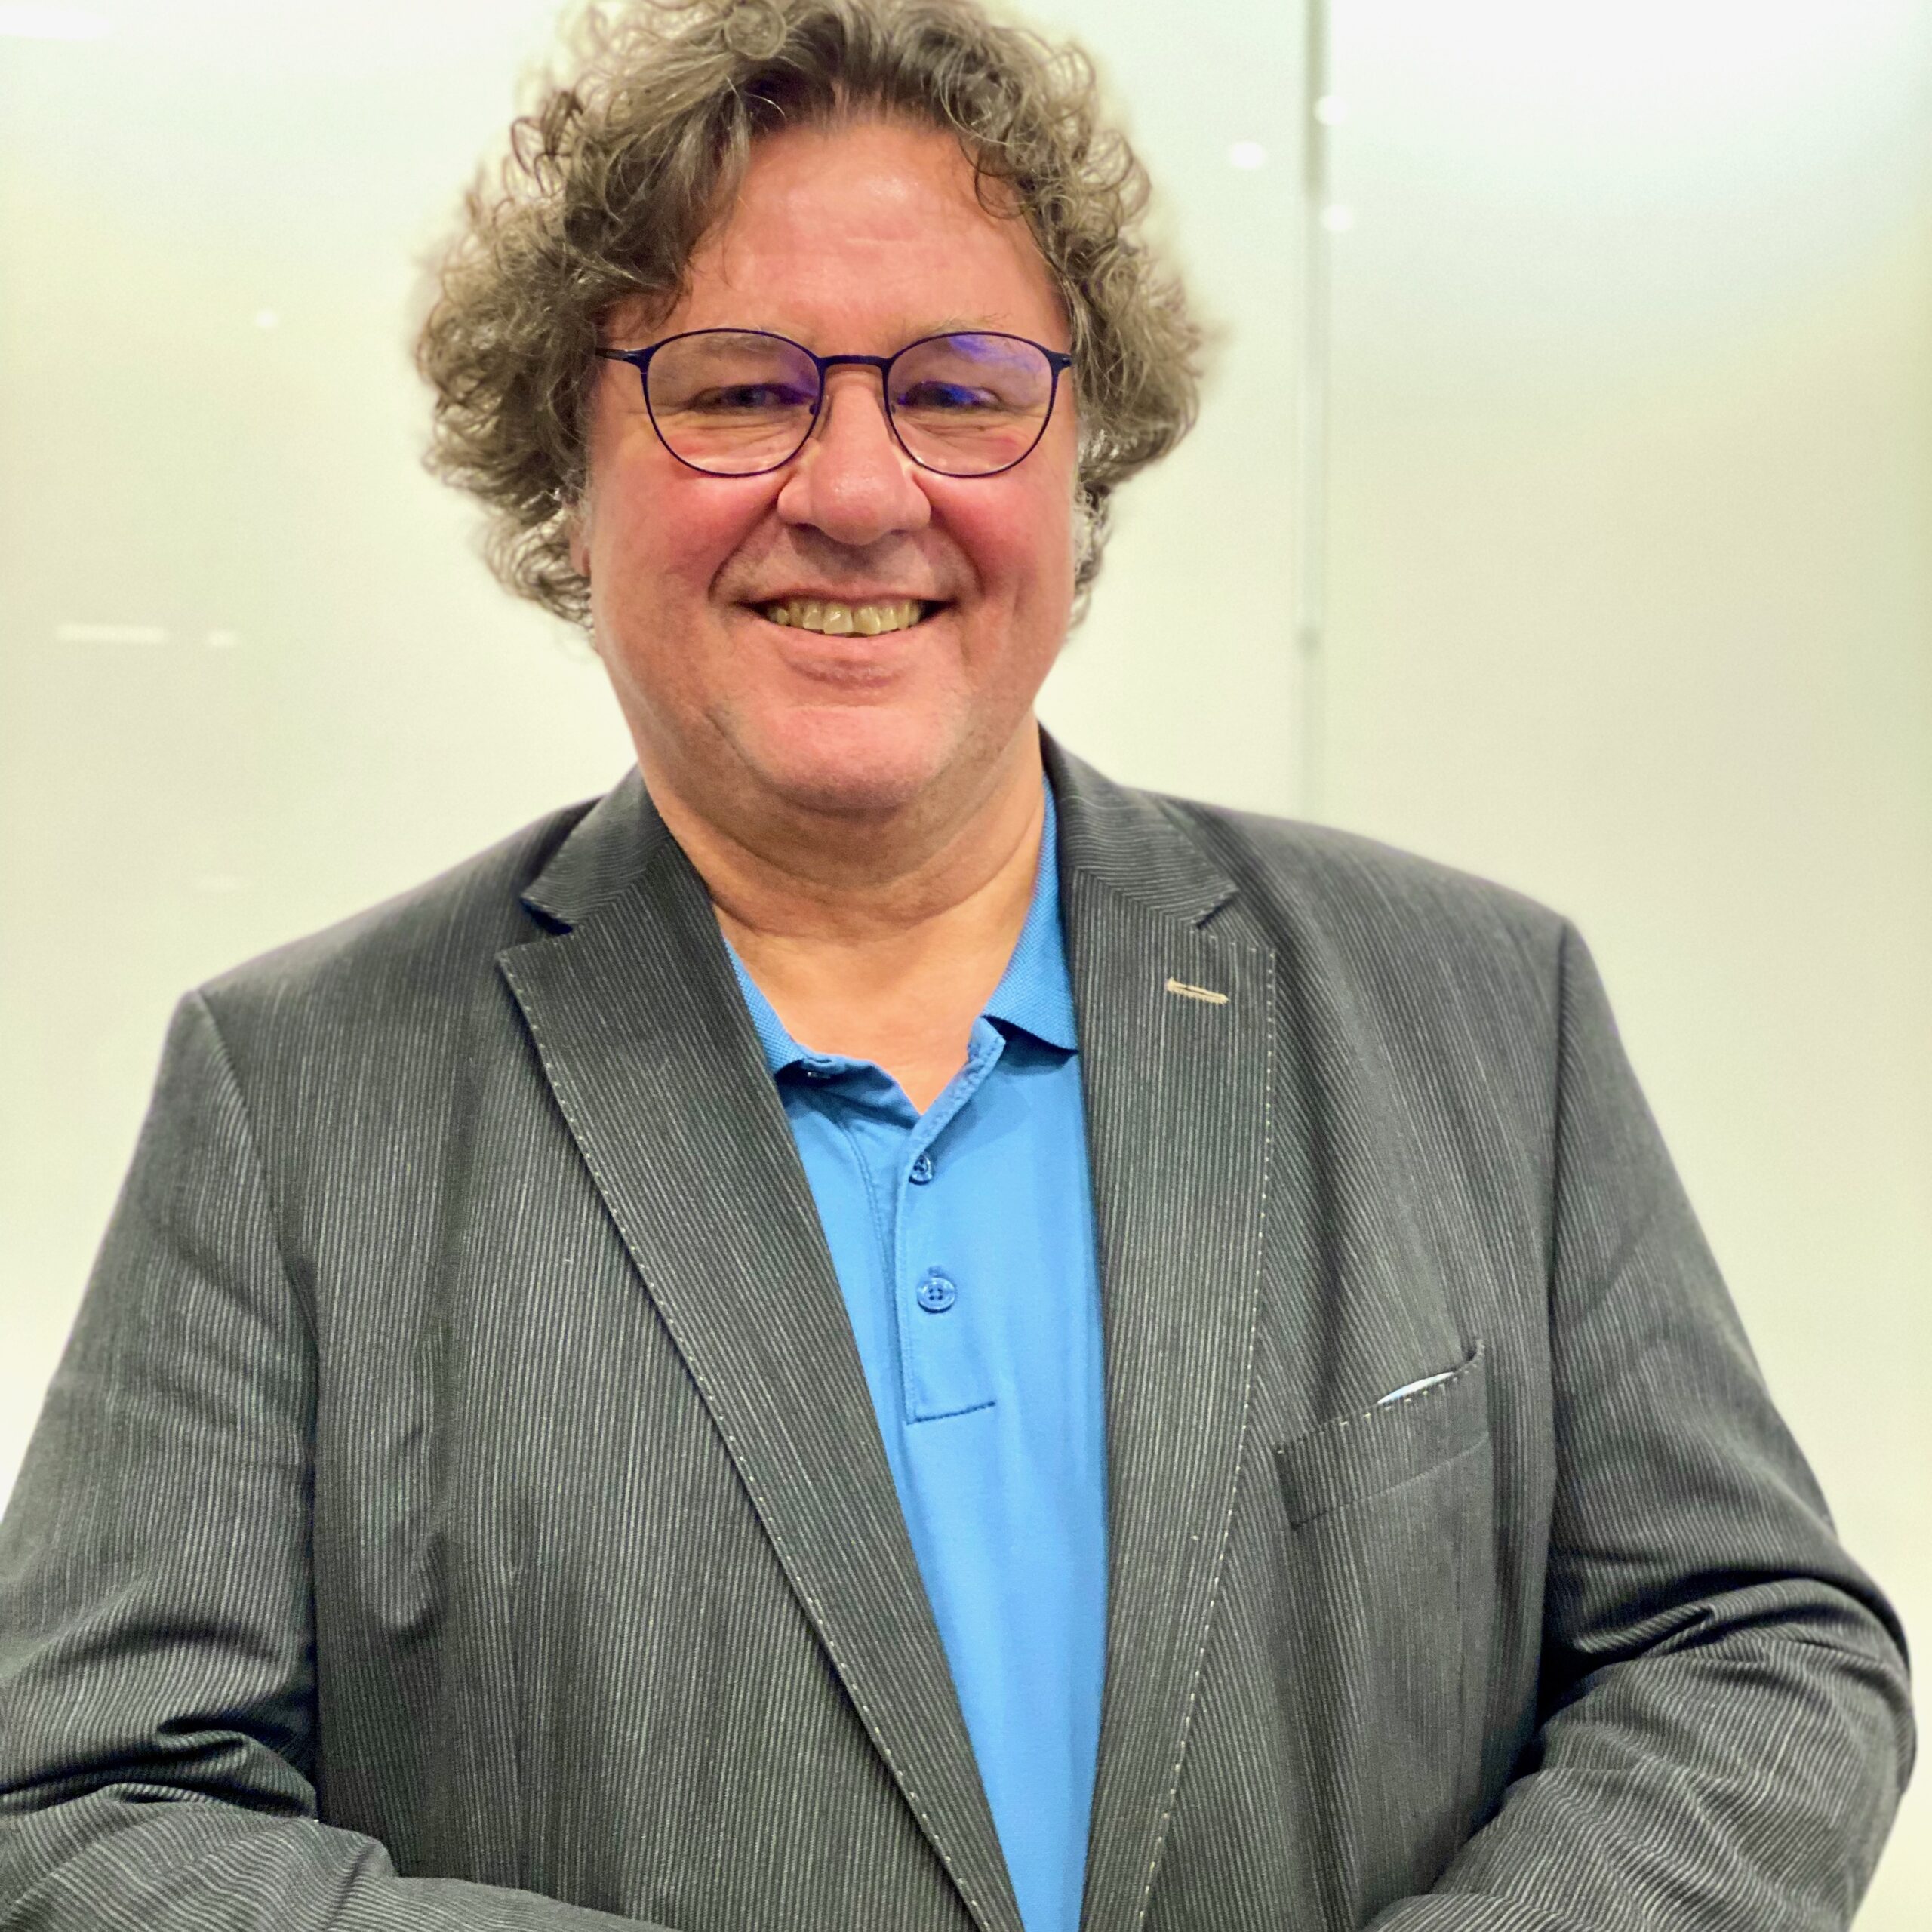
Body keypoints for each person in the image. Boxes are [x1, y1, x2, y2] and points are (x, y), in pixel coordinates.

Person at [0, 0, 1912, 1927]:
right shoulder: (298, 1097)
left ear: (1079, 462)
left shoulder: (1480, 1013)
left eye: (961, 387)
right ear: (564, 472)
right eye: (735, 389)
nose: (854, 491)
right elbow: (82, 1800)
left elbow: (1754, 1648)